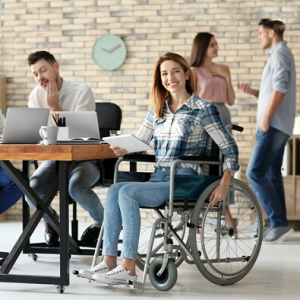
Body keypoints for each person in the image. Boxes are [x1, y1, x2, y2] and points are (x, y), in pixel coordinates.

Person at [78, 52, 239, 284]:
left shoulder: (203, 108)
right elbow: (141, 141)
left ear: (186, 74)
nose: (169, 77)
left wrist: (224, 183)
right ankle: (108, 261)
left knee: (128, 191)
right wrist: (123, 148)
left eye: (175, 71)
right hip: (161, 178)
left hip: (187, 180)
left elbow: (229, 148)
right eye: (164, 73)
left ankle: (129, 267)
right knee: (115, 190)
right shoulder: (158, 110)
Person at [26, 51, 103, 246]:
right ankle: (51, 221)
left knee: (77, 187)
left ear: (56, 67)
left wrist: (54, 107)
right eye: (35, 74)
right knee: (31, 190)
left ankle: (103, 224)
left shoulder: (81, 91)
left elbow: (81, 134)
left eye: (43, 70)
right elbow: (35, 132)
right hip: (54, 160)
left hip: (84, 158)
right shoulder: (36, 95)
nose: (39, 77)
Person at [237, 19, 295, 243]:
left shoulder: (279, 54)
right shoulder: (279, 54)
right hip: (280, 125)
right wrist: (254, 92)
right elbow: (275, 90)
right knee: (271, 174)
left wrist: (266, 118)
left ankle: (278, 221)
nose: (259, 37)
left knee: (254, 173)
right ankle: (278, 223)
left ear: (272, 33)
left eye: (261, 33)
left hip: (273, 124)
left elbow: (281, 88)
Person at [189, 32, 237, 237]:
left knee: (224, 162)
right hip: (205, 117)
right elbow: (191, 100)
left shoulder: (224, 68)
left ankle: (226, 213)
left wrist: (226, 75)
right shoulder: (192, 71)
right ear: (202, 48)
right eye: (212, 45)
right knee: (207, 166)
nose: (216, 48)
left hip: (224, 115)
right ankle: (198, 215)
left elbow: (232, 99)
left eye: (216, 44)